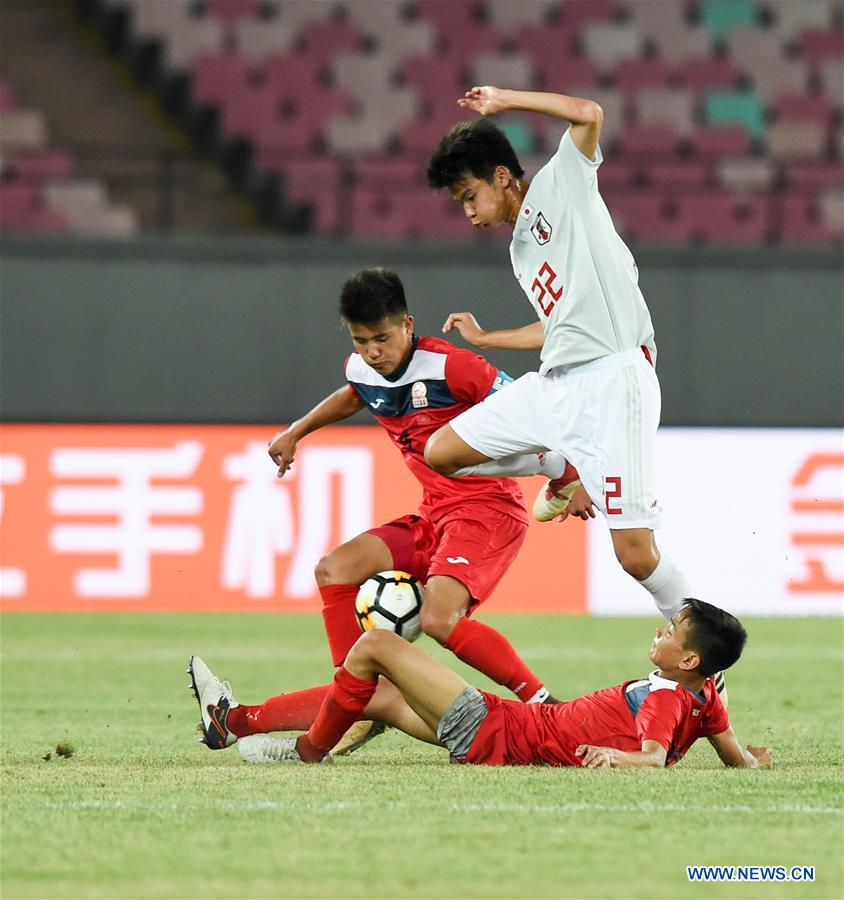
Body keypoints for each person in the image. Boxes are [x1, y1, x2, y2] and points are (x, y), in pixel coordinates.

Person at [191, 268, 573, 753]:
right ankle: (355, 697)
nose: (373, 351)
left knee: (438, 620)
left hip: (487, 511)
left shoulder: (452, 367)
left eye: (383, 338)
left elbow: (530, 407)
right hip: (434, 515)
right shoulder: (361, 367)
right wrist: (297, 431)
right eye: (361, 340)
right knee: (334, 568)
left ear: (408, 325)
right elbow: (356, 393)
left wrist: (566, 475)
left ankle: (541, 703)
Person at [422, 86, 722, 691]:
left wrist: (503, 100)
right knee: (442, 452)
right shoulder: (519, 248)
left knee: (636, 555)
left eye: (470, 195)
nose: (468, 211)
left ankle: (707, 677)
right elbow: (558, 325)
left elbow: (591, 114)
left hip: (614, 379)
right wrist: (491, 337)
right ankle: (562, 467)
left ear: (503, 176)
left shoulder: (565, 183)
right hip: (558, 385)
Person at [190, 599, 771, 770]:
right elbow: (732, 757)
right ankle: (232, 722)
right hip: (512, 730)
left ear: (689, 659)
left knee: (373, 648)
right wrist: (753, 759)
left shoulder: (668, 695)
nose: (659, 631)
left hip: (501, 728)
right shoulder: (705, 696)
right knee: (385, 697)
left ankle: (309, 751)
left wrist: (620, 761)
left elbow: (649, 753)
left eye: (671, 630)